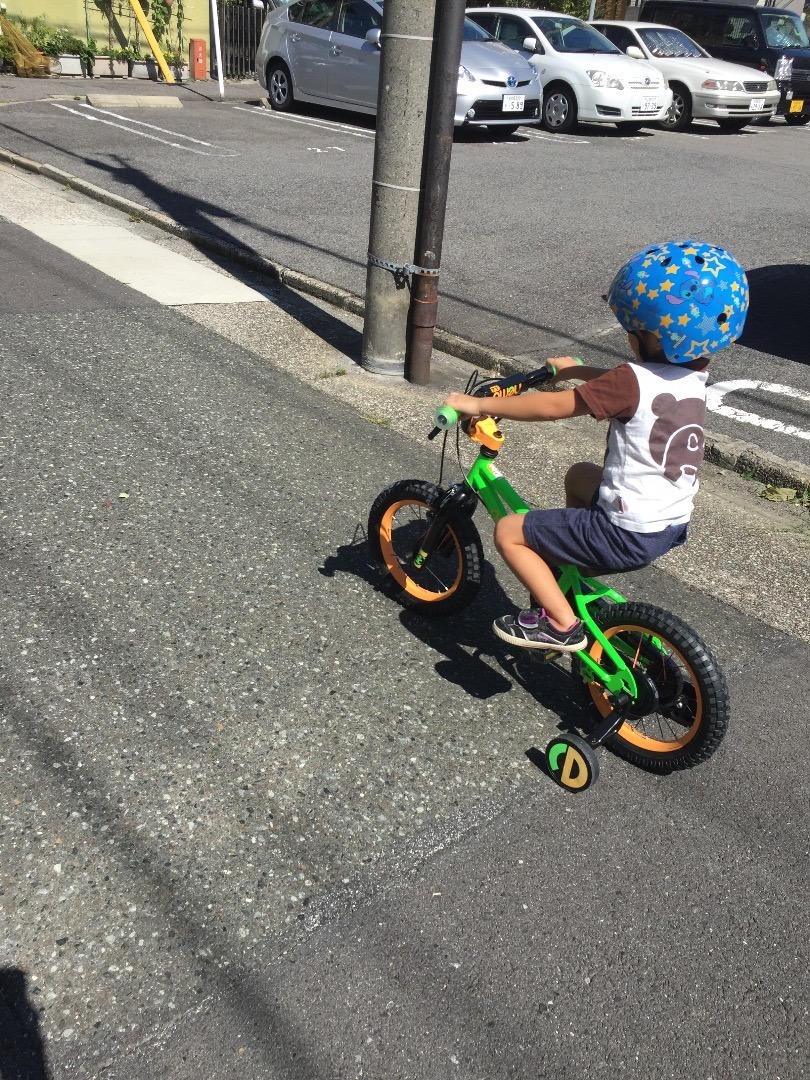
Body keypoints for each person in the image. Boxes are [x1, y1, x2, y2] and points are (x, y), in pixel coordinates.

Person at [442, 240, 749, 653]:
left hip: (623, 531)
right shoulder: (692, 373)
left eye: (631, 331)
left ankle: (562, 626)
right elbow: (631, 381)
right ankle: (565, 565)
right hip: (669, 525)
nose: (628, 337)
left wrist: (479, 403)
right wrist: (576, 370)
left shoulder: (631, 381)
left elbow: (553, 408)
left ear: (653, 336)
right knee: (580, 476)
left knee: (508, 532)